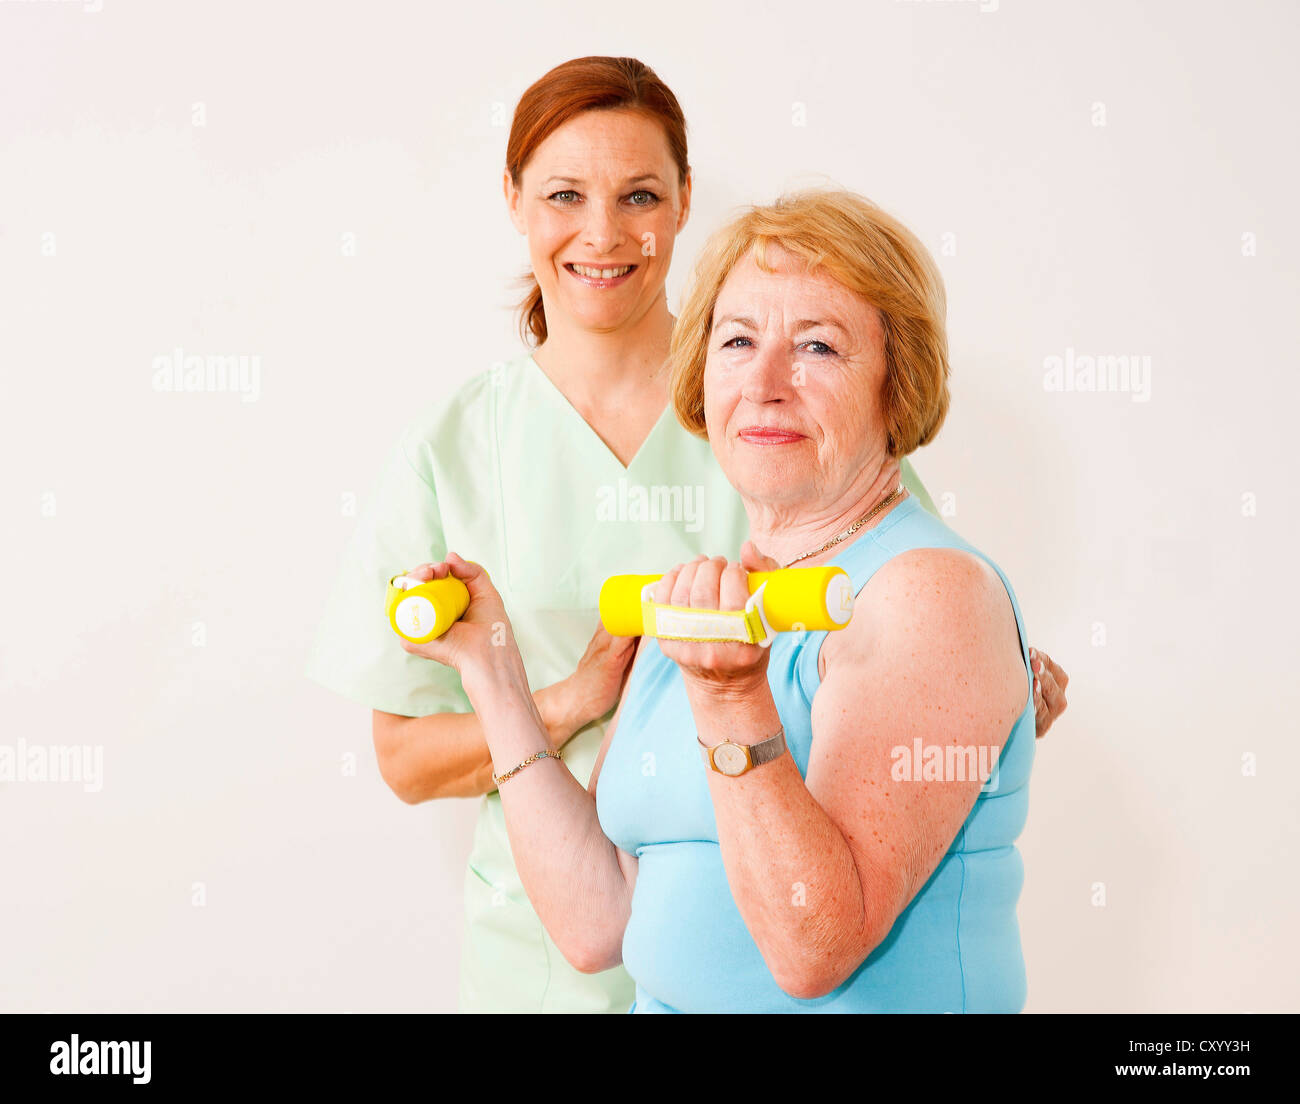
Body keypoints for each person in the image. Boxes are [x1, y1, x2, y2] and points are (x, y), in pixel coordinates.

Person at [306, 57, 1068, 1014]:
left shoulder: (881, 557)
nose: (766, 380)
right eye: (738, 341)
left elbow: (814, 942)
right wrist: (517, 681)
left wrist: (748, 690)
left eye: (821, 345)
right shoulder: (691, 589)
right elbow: (596, 924)